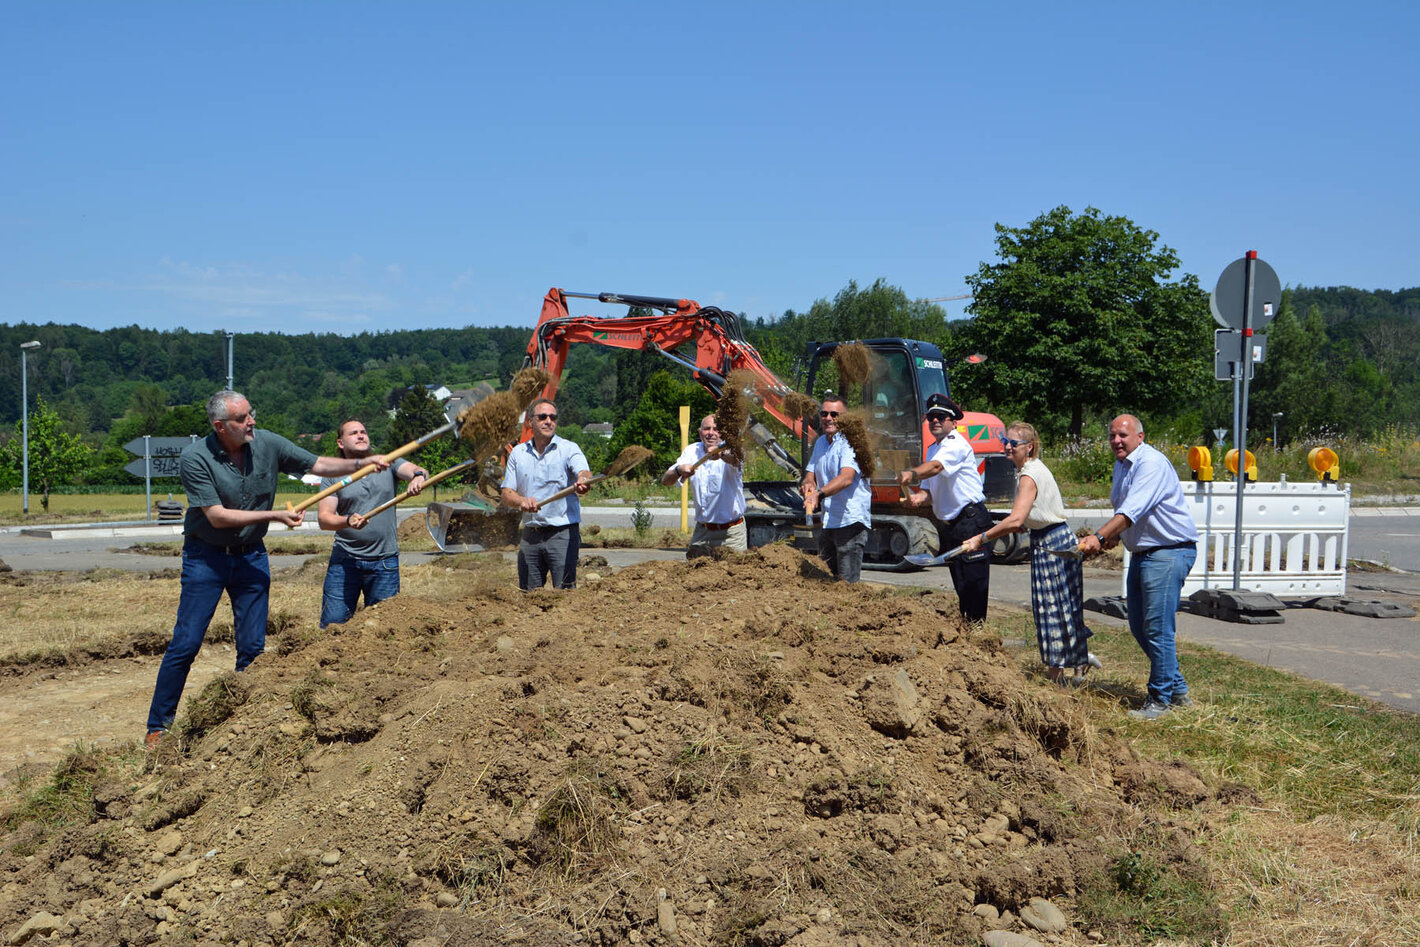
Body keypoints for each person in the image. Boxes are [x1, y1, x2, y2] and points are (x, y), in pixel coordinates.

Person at [146, 390, 389, 746]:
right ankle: (158, 728)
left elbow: (318, 465)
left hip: (250, 557)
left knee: (253, 647)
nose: (252, 422)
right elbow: (217, 516)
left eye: (251, 414)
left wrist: (363, 463)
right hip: (206, 559)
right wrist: (275, 515)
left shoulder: (268, 443)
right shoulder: (195, 458)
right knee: (186, 643)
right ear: (220, 425)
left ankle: (243, 724)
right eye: (243, 418)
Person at [1078, 414, 1199, 720]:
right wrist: (1115, 535)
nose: (1117, 440)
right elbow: (1127, 511)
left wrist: (1100, 535)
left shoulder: (1151, 463)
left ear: (1140, 437)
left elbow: (1133, 509)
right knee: (1138, 625)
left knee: (1158, 629)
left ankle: (1159, 700)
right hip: (1145, 553)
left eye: (1123, 435)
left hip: (1169, 552)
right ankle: (1178, 691)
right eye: (1112, 436)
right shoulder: (1123, 465)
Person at [961, 422, 1098, 683]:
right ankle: (1079, 666)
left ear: (1029, 447)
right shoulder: (1030, 469)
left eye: (1014, 443)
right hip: (1055, 537)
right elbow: (1029, 515)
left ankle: (1057, 680)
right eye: (1006, 441)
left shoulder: (1029, 474)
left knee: (1050, 610)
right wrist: (1029, 521)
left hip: (1052, 543)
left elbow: (1014, 520)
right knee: (1065, 606)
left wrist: (982, 537)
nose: (1008, 447)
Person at [316, 418, 429, 627]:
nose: (361, 435)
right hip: (345, 562)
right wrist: (347, 521)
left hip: (384, 563)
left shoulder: (388, 462)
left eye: (363, 432)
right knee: (333, 626)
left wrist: (418, 477)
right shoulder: (333, 474)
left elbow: (417, 470)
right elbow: (324, 518)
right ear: (341, 443)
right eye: (353, 433)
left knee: (384, 628)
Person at [897, 393, 992, 622]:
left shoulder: (956, 444)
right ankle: (967, 630)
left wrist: (912, 473)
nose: (935, 421)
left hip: (970, 521)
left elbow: (937, 468)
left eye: (941, 417)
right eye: (931, 417)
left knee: (974, 585)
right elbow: (928, 492)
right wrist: (917, 499)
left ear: (953, 422)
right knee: (961, 583)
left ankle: (978, 633)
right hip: (952, 525)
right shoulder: (933, 449)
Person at [500, 398, 592, 590]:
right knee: (529, 593)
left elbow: (583, 472)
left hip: (562, 533)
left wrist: (583, 479)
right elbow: (507, 493)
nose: (548, 421)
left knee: (564, 591)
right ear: (530, 422)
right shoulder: (518, 453)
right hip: (530, 535)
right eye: (542, 417)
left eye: (553, 417)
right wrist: (521, 501)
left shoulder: (569, 449)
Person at [801, 396, 872, 582]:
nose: (828, 418)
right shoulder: (821, 442)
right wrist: (809, 483)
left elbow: (846, 478)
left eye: (834, 414)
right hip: (829, 519)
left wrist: (818, 493)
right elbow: (811, 472)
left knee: (846, 584)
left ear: (844, 418)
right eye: (824, 413)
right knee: (826, 580)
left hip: (849, 521)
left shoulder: (850, 442)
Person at [662, 413, 747, 555]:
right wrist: (678, 470)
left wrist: (721, 455)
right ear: (700, 432)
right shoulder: (691, 451)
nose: (711, 433)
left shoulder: (732, 449)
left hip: (731, 534)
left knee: (734, 574)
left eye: (716, 429)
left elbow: (736, 460)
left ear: (723, 432)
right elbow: (666, 481)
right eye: (707, 429)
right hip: (703, 532)